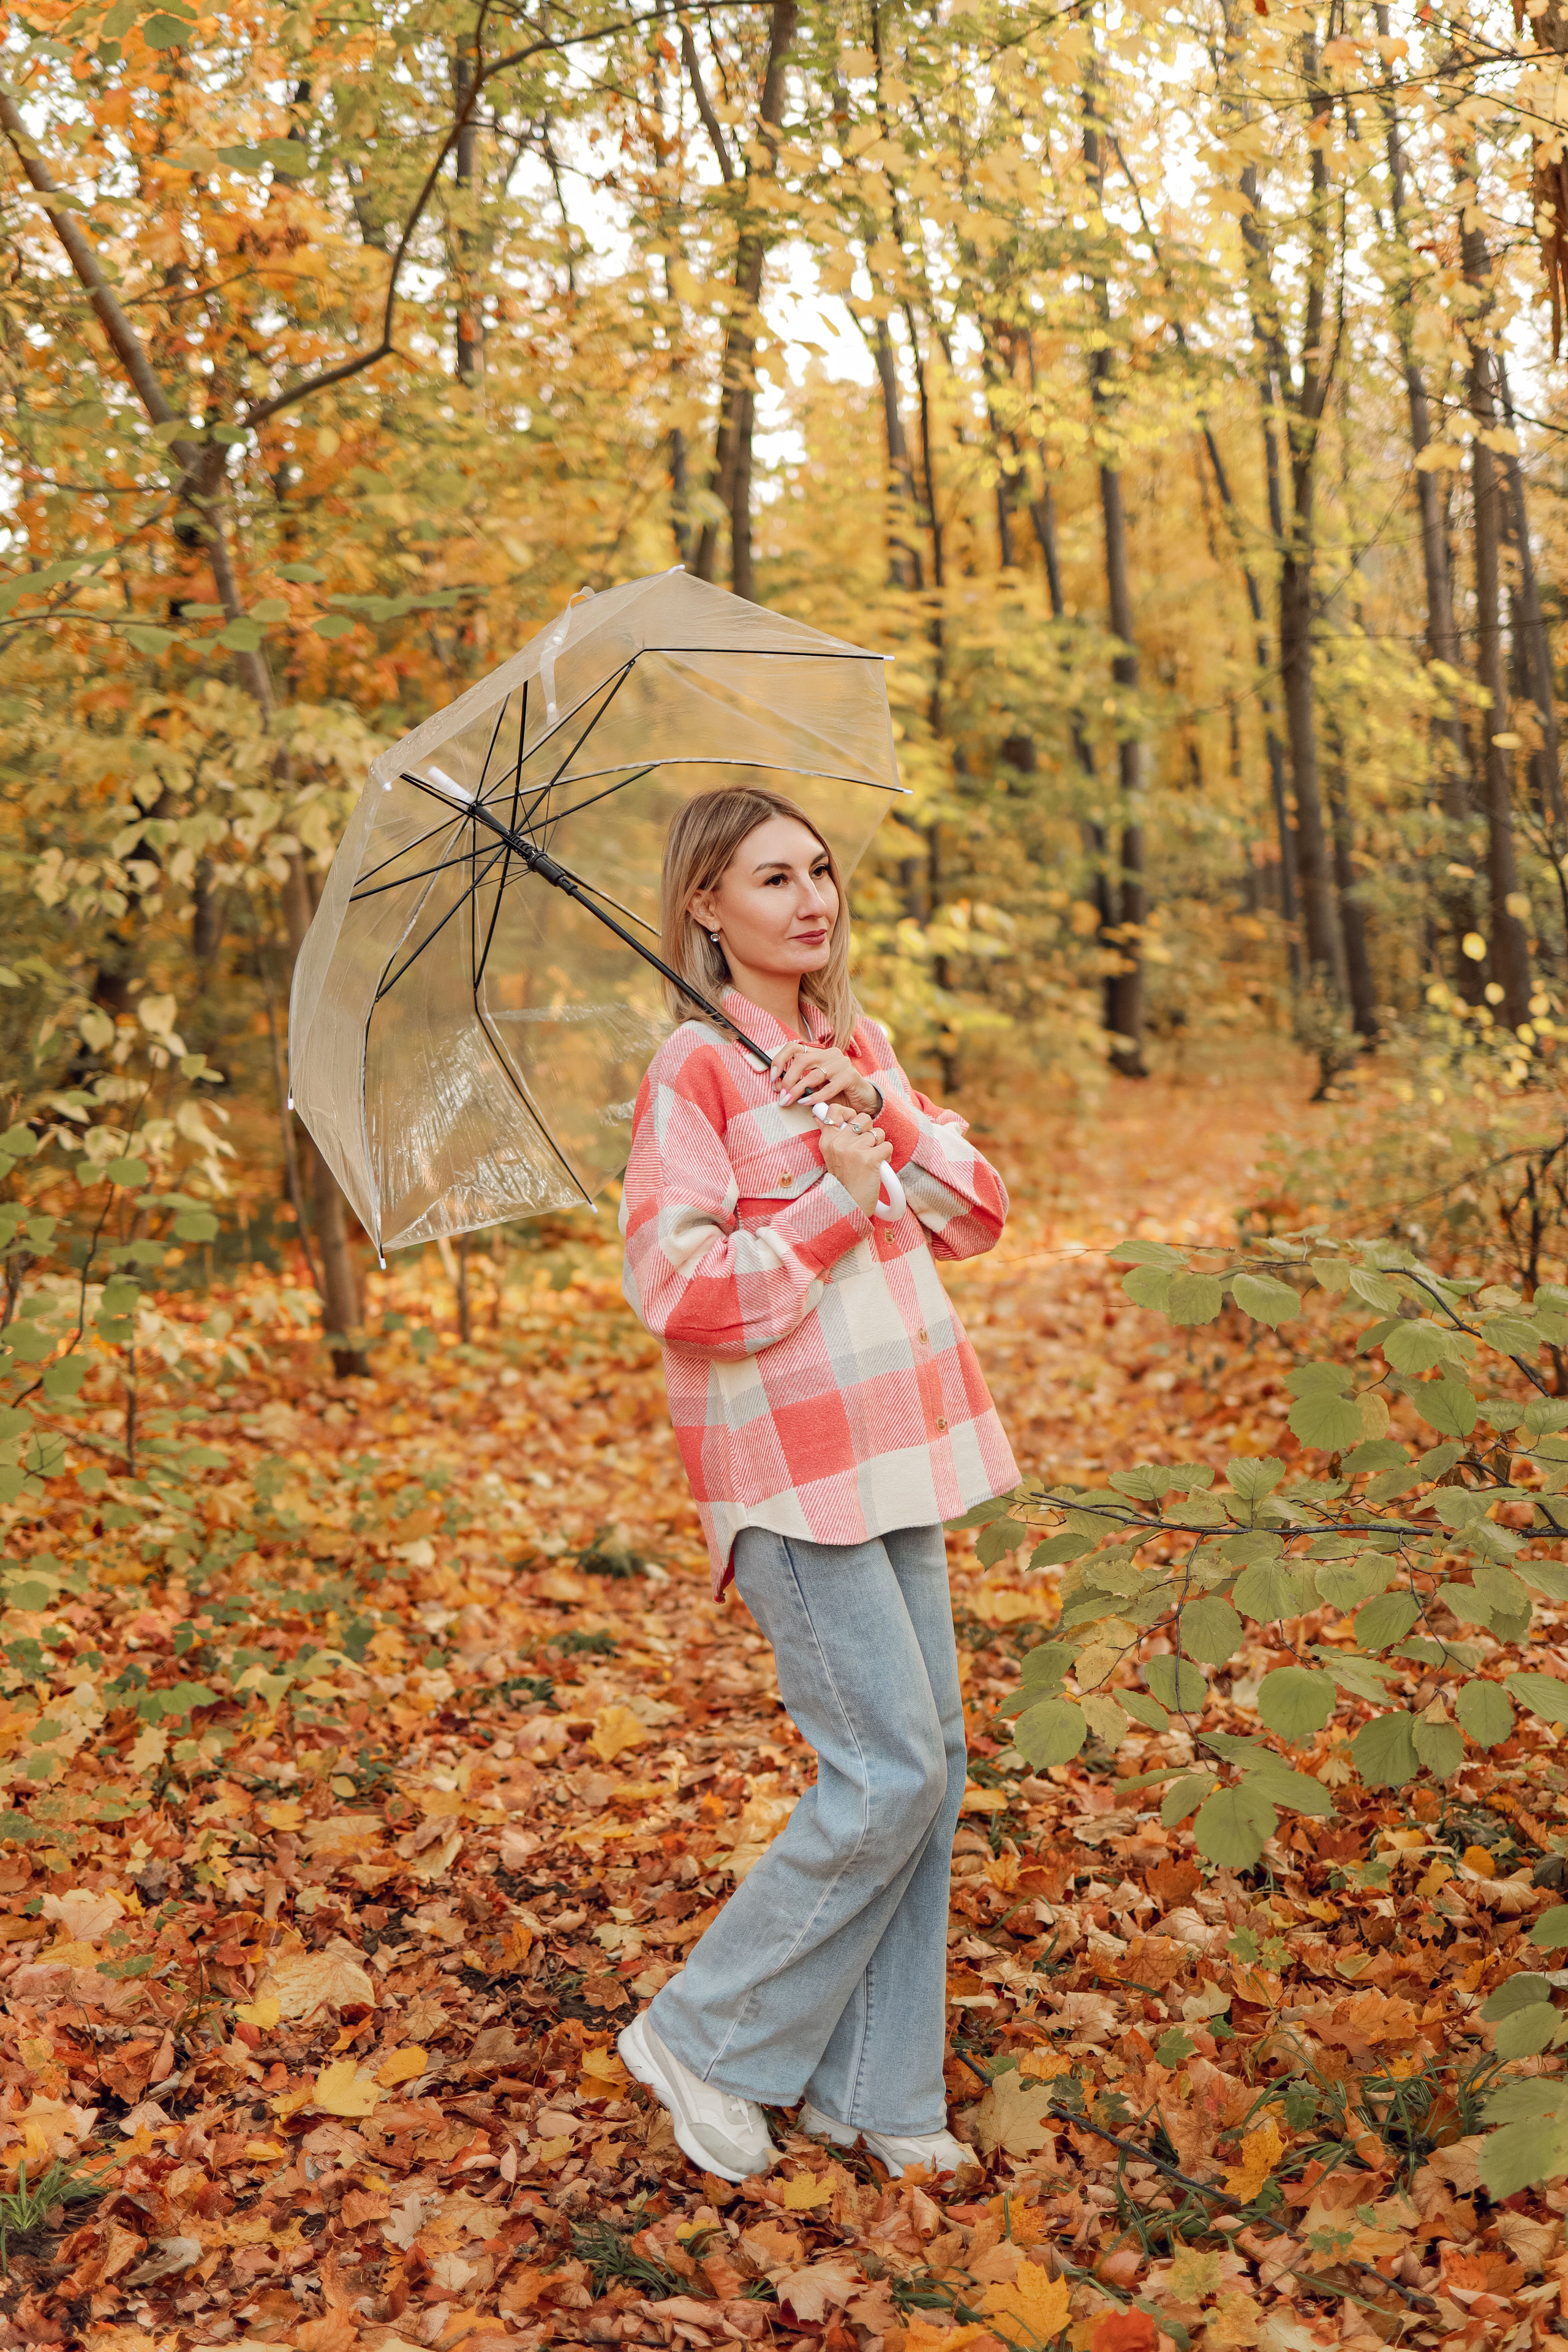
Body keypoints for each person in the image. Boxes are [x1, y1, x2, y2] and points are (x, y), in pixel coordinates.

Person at [615, 784, 1018, 2186]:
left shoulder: (857, 1047)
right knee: (885, 1765)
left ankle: (875, 2090)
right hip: (788, 1471)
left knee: (932, 1768)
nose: (809, 899)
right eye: (770, 878)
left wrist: (882, 1113)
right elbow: (675, 1288)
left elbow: (976, 1213)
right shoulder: (696, 1072)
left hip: (898, 1449)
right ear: (703, 910)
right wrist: (838, 1207)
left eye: (819, 871)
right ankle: (703, 2037)